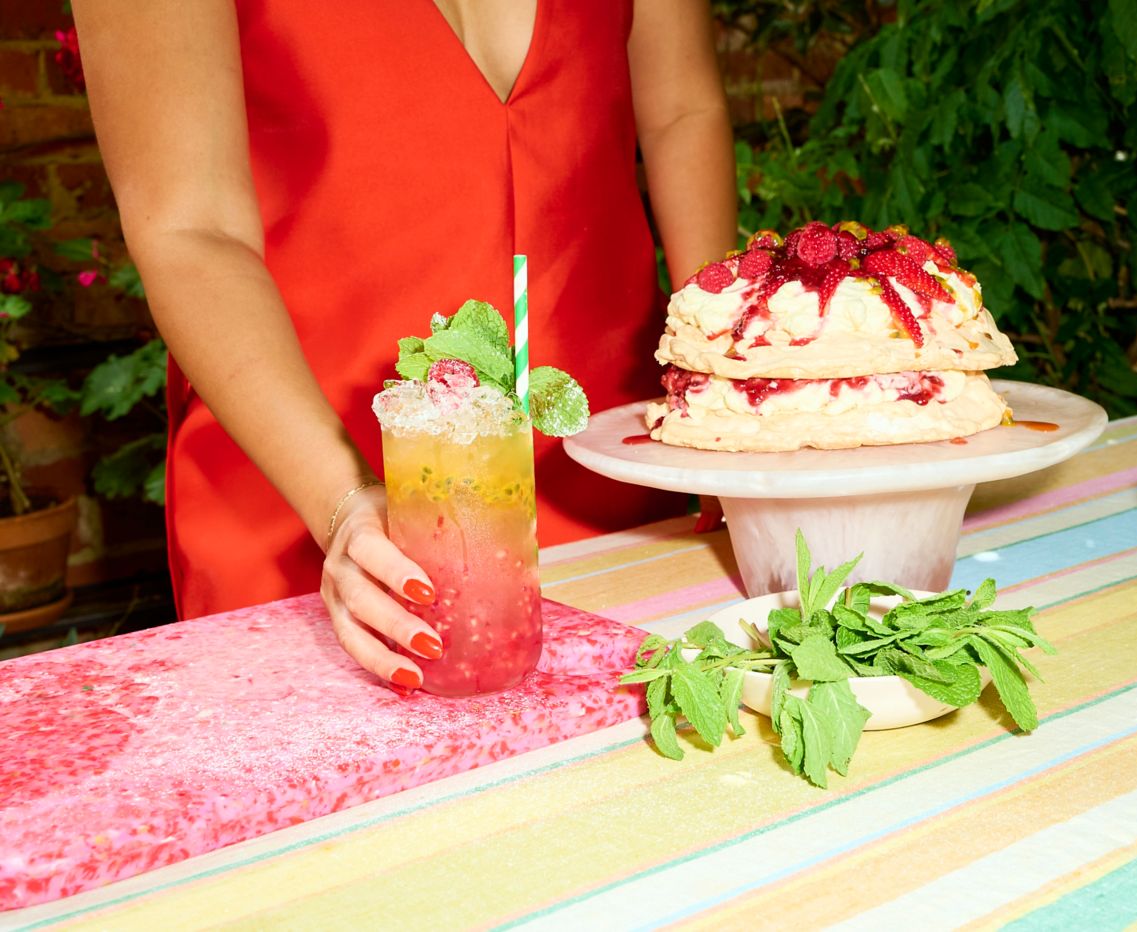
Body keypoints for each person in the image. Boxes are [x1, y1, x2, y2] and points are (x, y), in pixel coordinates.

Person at [72, 0, 736, 691]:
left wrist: (721, 382)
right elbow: (189, 227)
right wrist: (343, 505)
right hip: (311, 482)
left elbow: (681, 111)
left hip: (611, 455)